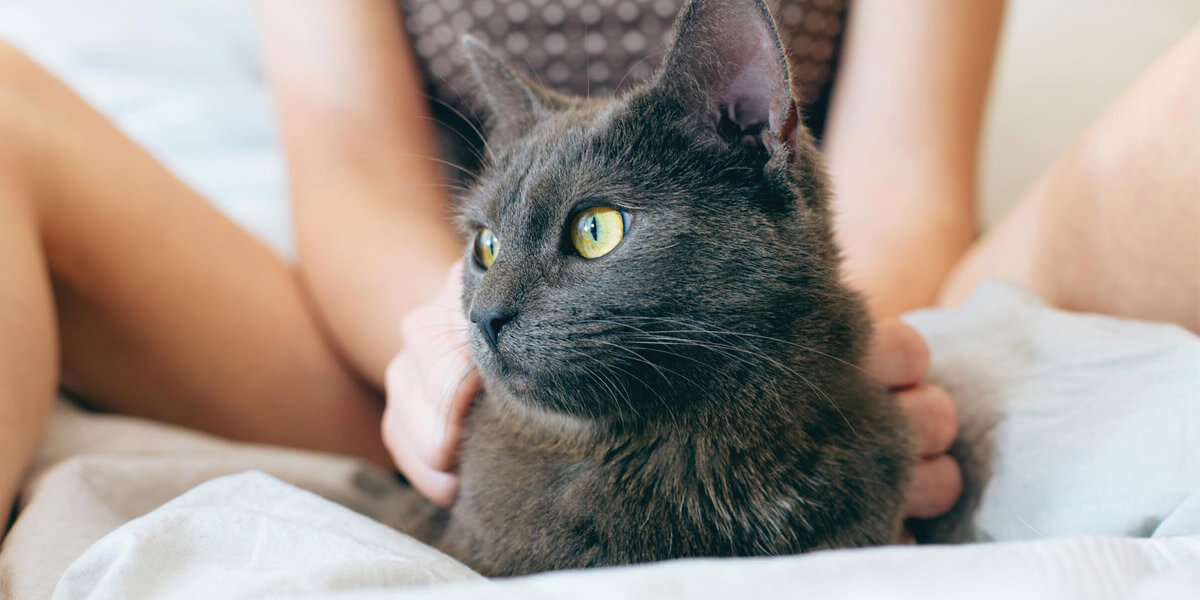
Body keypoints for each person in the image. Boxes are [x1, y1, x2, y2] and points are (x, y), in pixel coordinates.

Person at [0, 0, 1195, 546]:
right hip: (416, 339)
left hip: (800, 310)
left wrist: (831, 374)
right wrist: (440, 350)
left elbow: (901, 186)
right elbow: (356, 166)